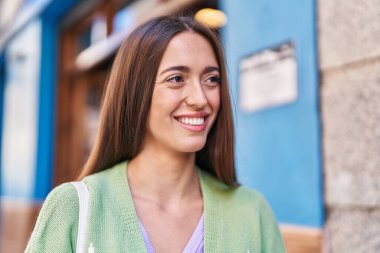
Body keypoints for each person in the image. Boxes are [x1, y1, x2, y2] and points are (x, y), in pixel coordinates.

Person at [25, 15, 285, 253]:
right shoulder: (74, 208)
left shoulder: (252, 213)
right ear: (136, 92)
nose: (200, 98)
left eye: (211, 79)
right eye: (176, 79)